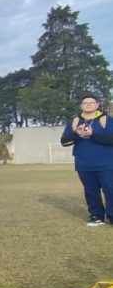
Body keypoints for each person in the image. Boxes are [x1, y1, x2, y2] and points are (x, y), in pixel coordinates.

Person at [61, 94, 113, 226]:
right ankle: (96, 216)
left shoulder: (107, 120)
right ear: (81, 106)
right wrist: (76, 134)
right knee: (91, 191)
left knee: (110, 190)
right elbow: (64, 142)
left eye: (91, 102)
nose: (88, 104)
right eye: (85, 103)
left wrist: (92, 134)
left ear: (97, 105)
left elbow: (110, 140)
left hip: (107, 164)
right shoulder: (74, 121)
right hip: (84, 164)